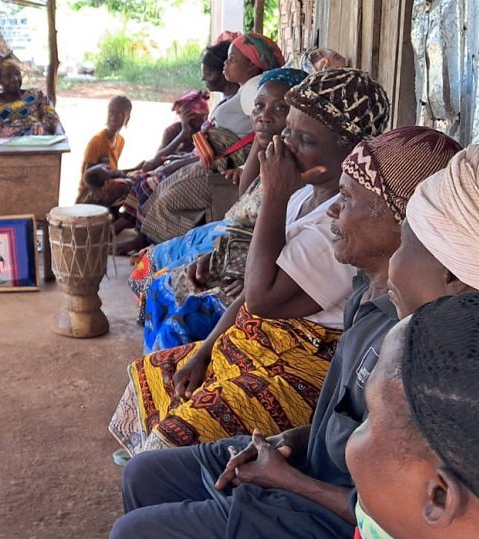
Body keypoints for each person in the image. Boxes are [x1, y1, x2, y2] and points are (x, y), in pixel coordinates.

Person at [146, 142, 479, 539]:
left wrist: (289, 481)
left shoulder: (437, 386)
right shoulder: (404, 335)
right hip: (347, 520)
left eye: (406, 240)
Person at [94, 122, 441, 539]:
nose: (333, 213)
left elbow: (390, 520)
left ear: (399, 220)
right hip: (308, 469)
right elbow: (338, 425)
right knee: (146, 473)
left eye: (348, 200)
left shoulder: (414, 343)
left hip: (330, 518)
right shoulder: (368, 295)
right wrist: (292, 442)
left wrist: (288, 480)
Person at [110, 68, 391, 459]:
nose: (286, 145)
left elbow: (260, 299)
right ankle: (153, 463)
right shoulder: (301, 197)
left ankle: (166, 470)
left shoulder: (339, 225)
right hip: (256, 342)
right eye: (288, 130)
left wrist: (275, 193)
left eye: (305, 139)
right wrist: (206, 350)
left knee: (186, 427)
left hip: (301, 363)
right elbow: (245, 298)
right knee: (156, 371)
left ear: (352, 151)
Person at [126, 68, 307, 351]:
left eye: (281, 109)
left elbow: (285, 238)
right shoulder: (273, 153)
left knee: (168, 287)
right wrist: (259, 146)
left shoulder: (297, 170)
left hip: (246, 255)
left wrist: (239, 270)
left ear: (298, 117)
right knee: (150, 260)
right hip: (228, 235)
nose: (265, 115)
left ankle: (165, 354)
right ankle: (151, 334)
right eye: (259, 106)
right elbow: (244, 192)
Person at [133, 33, 285, 248]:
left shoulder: (254, 91)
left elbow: (265, 134)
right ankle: (152, 245)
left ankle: (162, 248)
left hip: (223, 165)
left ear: (251, 66)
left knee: (170, 200)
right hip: (213, 159)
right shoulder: (246, 89)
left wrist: (242, 166)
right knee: (165, 186)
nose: (226, 63)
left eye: (232, 59)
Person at [0, 53, 63, 139]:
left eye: (17, 74)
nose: (15, 79)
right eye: (7, 76)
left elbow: (53, 120)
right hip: (5, 152)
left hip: (36, 148)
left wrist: (43, 128)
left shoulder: (35, 96)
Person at [77, 94, 132, 201]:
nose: (113, 118)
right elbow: (88, 179)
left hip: (108, 188)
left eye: (120, 115)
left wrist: (136, 169)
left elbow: (113, 171)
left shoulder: (120, 141)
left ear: (127, 119)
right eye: (111, 112)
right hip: (90, 195)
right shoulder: (96, 142)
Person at [138, 90, 208, 174]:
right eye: (196, 118)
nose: (202, 121)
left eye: (204, 117)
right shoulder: (172, 131)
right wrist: (182, 134)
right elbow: (156, 161)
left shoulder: (207, 132)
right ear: (183, 117)